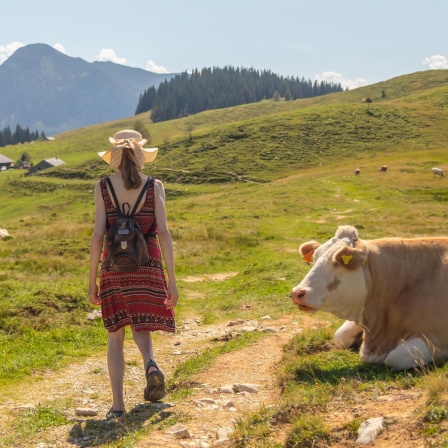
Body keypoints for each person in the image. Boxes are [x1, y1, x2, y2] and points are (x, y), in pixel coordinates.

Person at [88, 130, 179, 419]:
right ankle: (150, 363)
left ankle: (118, 406)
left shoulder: (103, 187)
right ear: (140, 157)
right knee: (142, 322)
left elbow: (97, 237)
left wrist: (92, 280)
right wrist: (172, 280)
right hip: (148, 263)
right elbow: (163, 234)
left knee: (115, 335)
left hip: (114, 267)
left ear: (114, 158)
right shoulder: (155, 186)